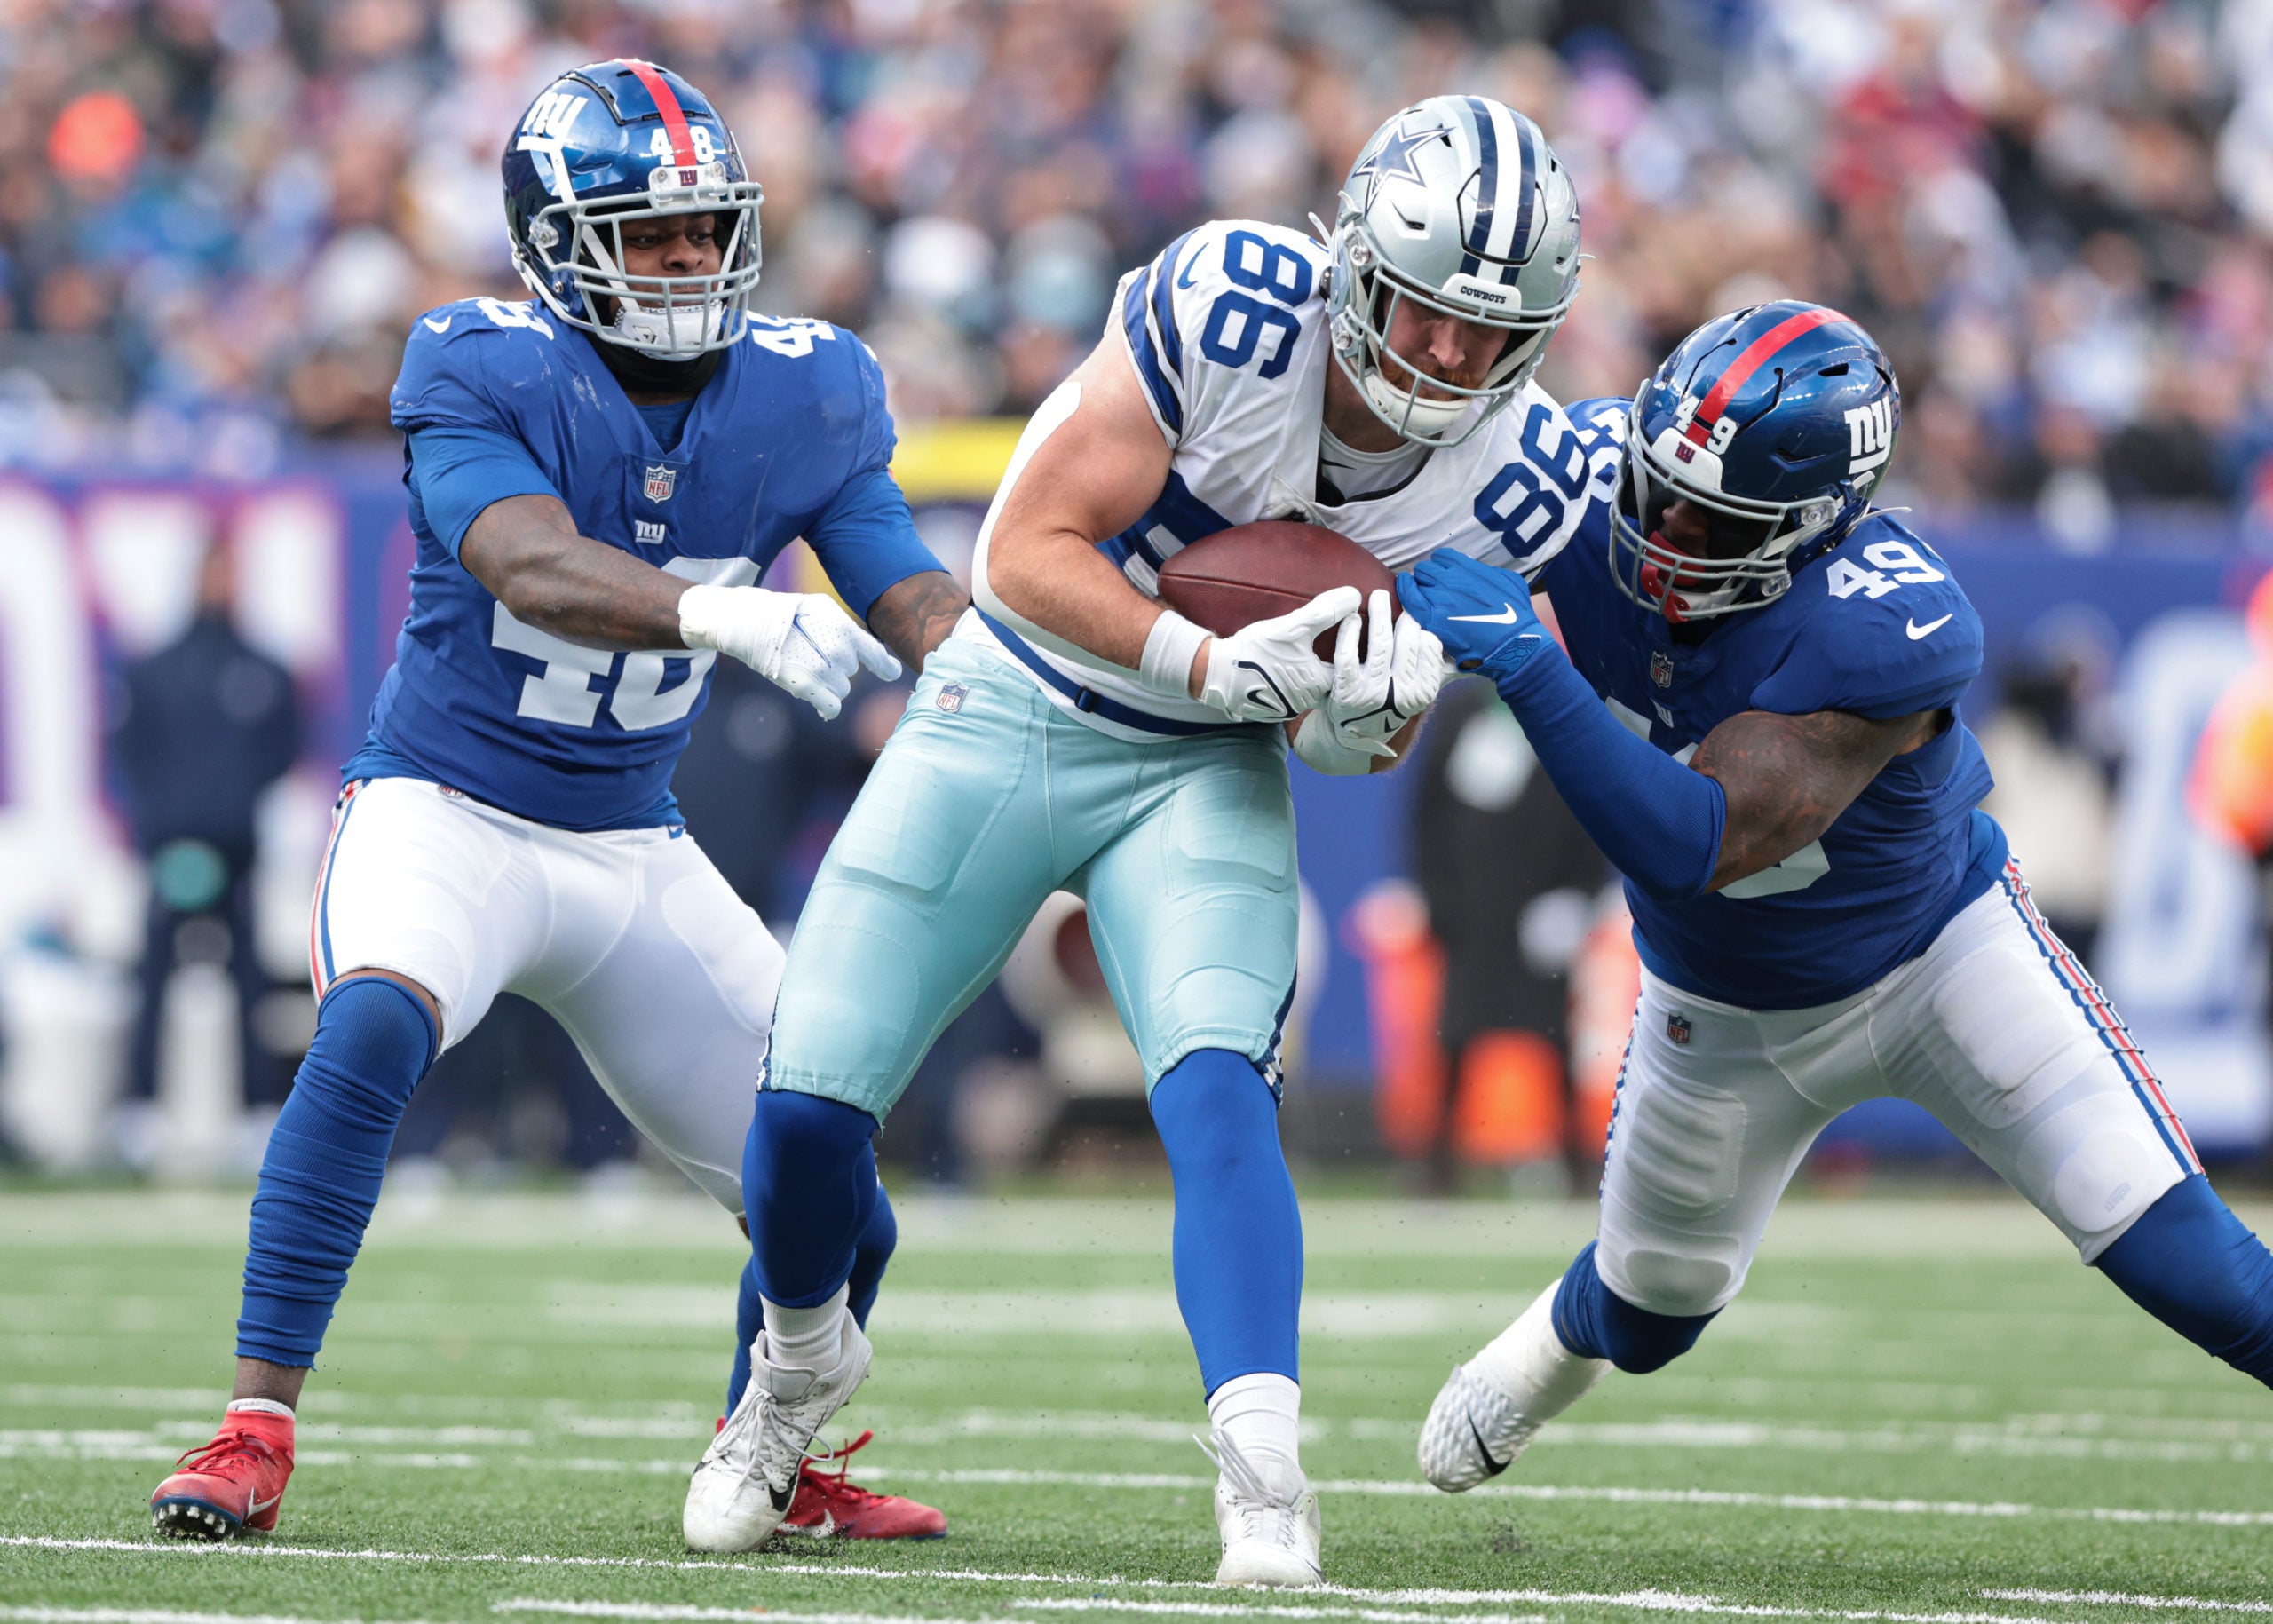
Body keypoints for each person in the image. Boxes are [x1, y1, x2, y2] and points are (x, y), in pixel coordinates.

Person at [685, 97, 1602, 1583]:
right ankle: (791, 1374)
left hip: (1200, 769)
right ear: (1354, 260)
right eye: (1421, 313)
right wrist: (1205, 657)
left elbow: (1369, 722)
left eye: (1483, 334)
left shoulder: (1518, 473)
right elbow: (1023, 548)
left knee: (1219, 1096)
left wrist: (1369, 710)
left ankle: (1264, 1469)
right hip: (1018, 698)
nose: (1445, 359)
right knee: (803, 1101)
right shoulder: (1236, 307)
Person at [148, 59, 965, 1544]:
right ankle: (252, 1424)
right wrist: (720, 618)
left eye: (704, 230)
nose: (685, 262)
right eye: (646, 234)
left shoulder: (811, 386)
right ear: (553, 240)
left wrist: (1009, 668)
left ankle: (769, 1455)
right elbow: (527, 560)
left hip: (631, 842)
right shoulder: (477, 362)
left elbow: (904, 579)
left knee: (839, 1191)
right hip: (447, 809)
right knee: (376, 1018)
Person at [1398, 302, 2273, 1495]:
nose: (1663, 532)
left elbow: (1694, 841)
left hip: (1941, 960)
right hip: (1722, 1010)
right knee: (1654, 1315)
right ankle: (1557, 1338)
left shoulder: (1887, 625)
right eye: (1660, 490)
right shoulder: (1585, 482)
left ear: (1812, 527)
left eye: (1713, 518)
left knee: (2195, 1265)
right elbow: (1391, 501)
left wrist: (1529, 660)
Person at [107, 541, 303, 1162]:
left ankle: (255, 1114)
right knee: (153, 975)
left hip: (238, 849)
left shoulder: (263, 668)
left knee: (250, 982)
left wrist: (231, 804)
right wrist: (166, 816)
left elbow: (284, 748)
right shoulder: (157, 668)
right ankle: (139, 1113)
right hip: (173, 850)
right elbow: (131, 752)